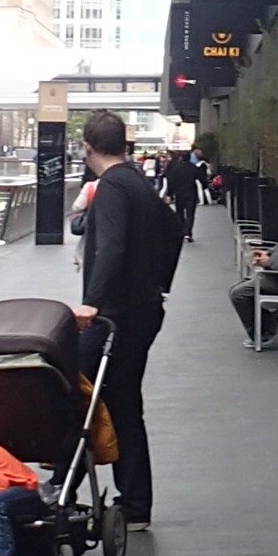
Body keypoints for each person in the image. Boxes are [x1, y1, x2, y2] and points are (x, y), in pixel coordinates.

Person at [78, 109, 182, 524]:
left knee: (73, 384)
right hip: (143, 309)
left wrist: (92, 302)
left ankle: (61, 477)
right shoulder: (138, 181)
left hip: (116, 316)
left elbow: (112, 247)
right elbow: (173, 229)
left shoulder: (110, 188)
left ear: (87, 147)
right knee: (123, 402)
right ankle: (135, 503)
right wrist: (158, 282)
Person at [160, 143, 200, 239]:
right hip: (191, 192)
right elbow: (200, 178)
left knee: (180, 212)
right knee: (190, 214)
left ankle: (182, 230)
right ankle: (188, 232)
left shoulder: (176, 169)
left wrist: (170, 194)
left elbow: (171, 181)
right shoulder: (193, 167)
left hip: (179, 193)